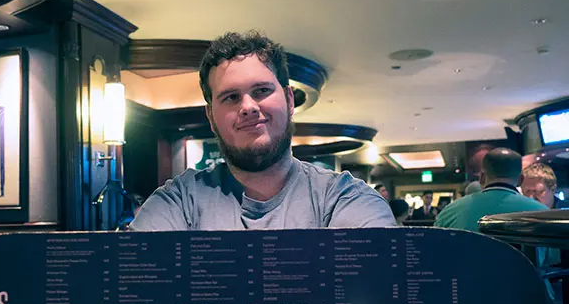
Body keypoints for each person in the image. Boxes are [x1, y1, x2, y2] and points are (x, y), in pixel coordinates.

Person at [130, 31, 395, 231]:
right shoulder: (179, 202)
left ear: (289, 100)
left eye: (262, 91)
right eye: (231, 97)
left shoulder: (343, 198)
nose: (248, 107)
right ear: (211, 117)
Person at [435, 148, 547, 232]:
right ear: (520, 180)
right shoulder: (543, 214)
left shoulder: (448, 212)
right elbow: (553, 261)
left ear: (482, 177)